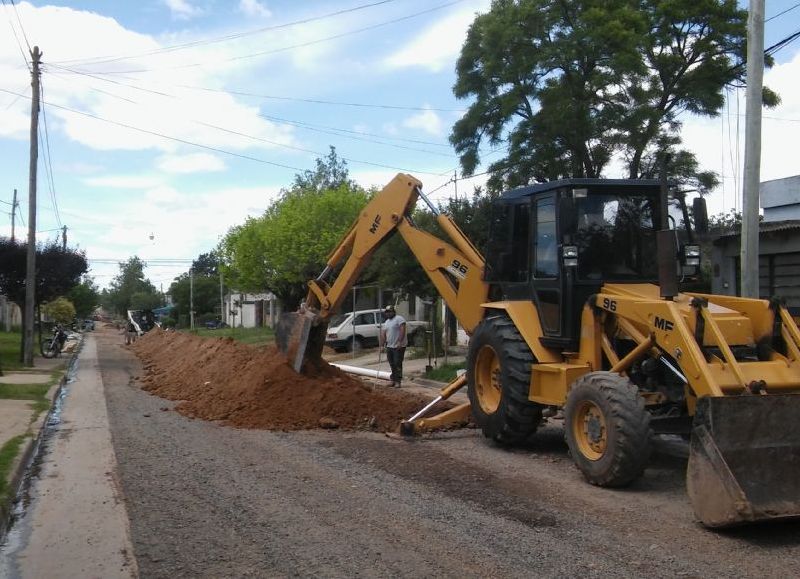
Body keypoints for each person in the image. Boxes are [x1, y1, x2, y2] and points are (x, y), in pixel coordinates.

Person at [380, 305, 407, 388]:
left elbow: (402, 329)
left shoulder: (399, 319)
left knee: (397, 363)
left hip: (398, 346)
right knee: (392, 363)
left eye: (389, 312)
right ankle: (393, 380)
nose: (388, 314)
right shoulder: (387, 322)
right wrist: (382, 345)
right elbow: (383, 333)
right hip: (389, 346)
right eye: (387, 312)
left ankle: (398, 381)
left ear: (393, 312)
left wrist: (400, 341)